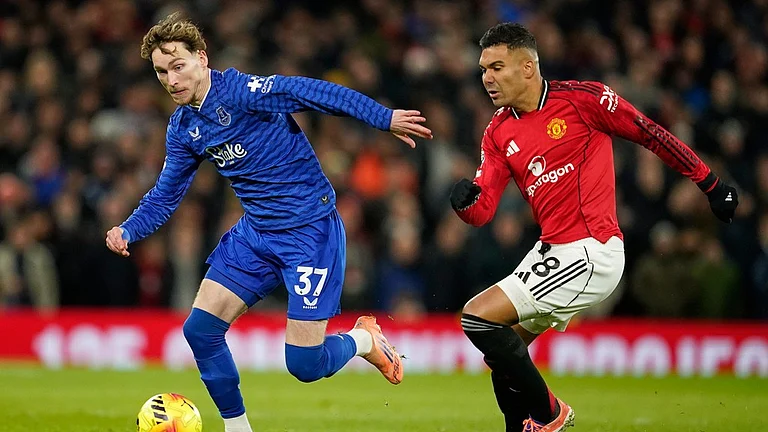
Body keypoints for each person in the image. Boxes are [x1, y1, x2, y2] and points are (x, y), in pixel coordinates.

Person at [105, 12, 432, 432]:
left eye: (178, 66)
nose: (171, 80)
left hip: (309, 233)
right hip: (257, 233)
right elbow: (166, 194)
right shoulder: (184, 127)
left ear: (202, 58)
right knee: (200, 330)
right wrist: (129, 228)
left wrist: (382, 117)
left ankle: (364, 339)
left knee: (304, 365)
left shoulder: (241, 92)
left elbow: (310, 92)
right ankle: (238, 427)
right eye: (161, 72)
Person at [450, 23, 738, 432]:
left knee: (477, 319)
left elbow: (650, 133)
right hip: (551, 252)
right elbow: (483, 211)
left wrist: (710, 183)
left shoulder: (583, 100)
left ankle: (551, 414)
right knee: (503, 356)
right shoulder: (498, 132)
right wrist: (466, 204)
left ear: (527, 67)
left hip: (592, 251)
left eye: (497, 67)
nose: (487, 79)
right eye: (483, 70)